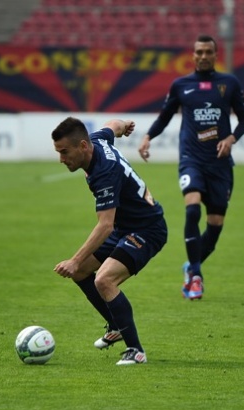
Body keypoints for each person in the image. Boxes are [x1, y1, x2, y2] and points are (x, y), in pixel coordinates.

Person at [137, 34, 244, 300]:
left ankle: (191, 266)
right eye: (198, 52)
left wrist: (231, 138)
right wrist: (147, 137)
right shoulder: (181, 85)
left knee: (216, 223)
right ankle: (196, 276)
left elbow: (243, 121)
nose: (203, 56)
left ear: (215, 54)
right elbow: (165, 116)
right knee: (191, 208)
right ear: (193, 54)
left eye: (208, 52)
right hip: (191, 159)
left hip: (220, 164)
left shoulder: (229, 83)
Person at [51, 116, 168, 365]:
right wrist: (125, 125)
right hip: (125, 227)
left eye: (64, 152)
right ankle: (116, 325)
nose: (61, 159)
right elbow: (112, 124)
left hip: (147, 229)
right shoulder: (96, 140)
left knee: (104, 279)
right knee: (82, 273)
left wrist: (74, 259)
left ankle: (136, 351)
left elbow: (105, 225)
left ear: (82, 146)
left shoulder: (105, 172)